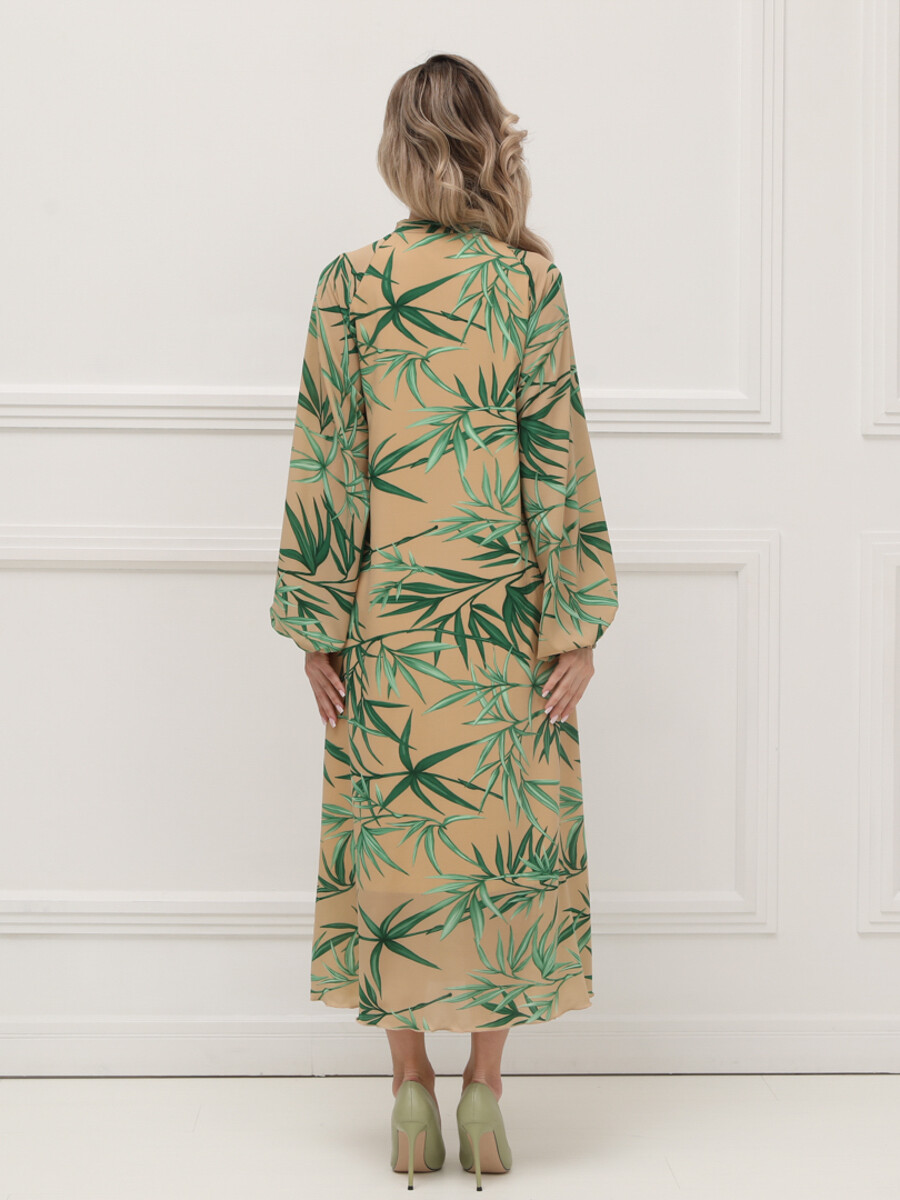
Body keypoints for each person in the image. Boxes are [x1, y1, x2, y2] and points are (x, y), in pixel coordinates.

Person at [269, 52, 619, 1190]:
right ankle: (485, 1092)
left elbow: (329, 463)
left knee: (398, 853)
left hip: (389, 622)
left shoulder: (350, 284)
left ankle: (409, 1090)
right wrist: (576, 623)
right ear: (487, 144)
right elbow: (556, 465)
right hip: (503, 624)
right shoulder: (528, 286)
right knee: (497, 858)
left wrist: (318, 624)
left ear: (396, 149)